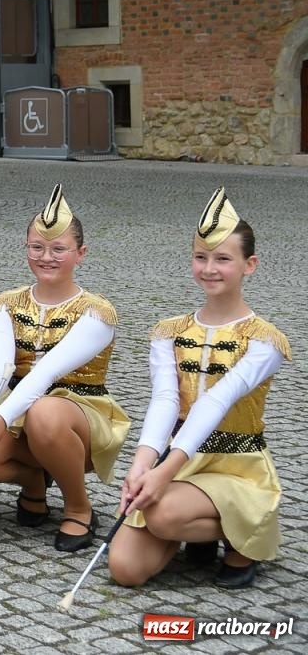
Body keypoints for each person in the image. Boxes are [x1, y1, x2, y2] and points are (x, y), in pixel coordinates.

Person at [111, 190, 291, 591]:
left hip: (237, 467)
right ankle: (197, 530)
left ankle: (238, 539)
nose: (209, 268)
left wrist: (164, 474)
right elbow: (165, 399)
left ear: (251, 265)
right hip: (182, 463)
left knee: (161, 513)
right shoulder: (169, 331)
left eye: (223, 259)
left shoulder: (265, 341)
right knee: (125, 569)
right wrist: (143, 464)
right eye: (201, 257)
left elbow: (218, 398)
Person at [0, 186, 128, 551]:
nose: (46, 257)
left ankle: (79, 508)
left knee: (45, 413)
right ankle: (35, 479)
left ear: (80, 254)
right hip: (18, 411)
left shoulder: (97, 312)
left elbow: (47, 371)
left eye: (58, 249)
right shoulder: (6, 303)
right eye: (37, 247)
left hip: (79, 414)